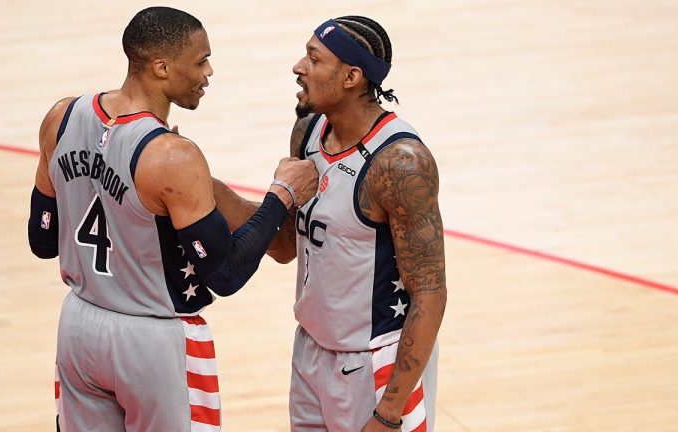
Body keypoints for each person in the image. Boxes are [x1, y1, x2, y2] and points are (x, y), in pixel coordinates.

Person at [27, 7, 317, 431]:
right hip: (154, 337)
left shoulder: (62, 117)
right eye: (200, 61)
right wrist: (282, 194)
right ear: (161, 67)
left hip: (78, 326)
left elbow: (42, 239)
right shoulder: (173, 156)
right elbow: (226, 275)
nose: (209, 71)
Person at [279, 15, 448, 432]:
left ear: (352, 76)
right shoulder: (308, 131)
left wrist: (390, 412)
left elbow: (430, 295)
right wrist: (199, 187)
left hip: (374, 362)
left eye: (314, 59)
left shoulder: (400, 163)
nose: (298, 67)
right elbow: (284, 246)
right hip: (311, 350)